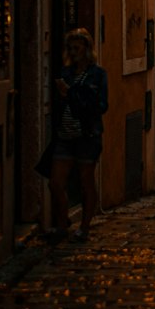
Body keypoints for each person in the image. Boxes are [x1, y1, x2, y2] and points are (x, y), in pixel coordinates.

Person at [46, 27, 108, 242]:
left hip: (87, 136)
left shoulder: (97, 75)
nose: (73, 52)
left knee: (85, 182)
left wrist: (70, 93)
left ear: (87, 49)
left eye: (77, 47)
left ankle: (84, 227)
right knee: (55, 182)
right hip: (64, 136)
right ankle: (62, 224)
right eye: (70, 48)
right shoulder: (65, 73)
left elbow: (101, 105)